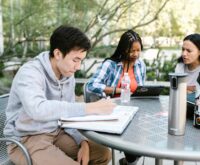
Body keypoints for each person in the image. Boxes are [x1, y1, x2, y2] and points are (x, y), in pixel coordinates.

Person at [4, 25, 116, 165]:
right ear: (58, 54)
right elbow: (37, 109)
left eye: (81, 60)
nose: (78, 66)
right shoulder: (30, 73)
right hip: (26, 138)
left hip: (56, 132)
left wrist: (82, 141)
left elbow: (67, 115)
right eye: (75, 60)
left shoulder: (67, 74)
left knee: (102, 153)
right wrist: (89, 108)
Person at [87, 30, 146, 165]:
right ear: (123, 49)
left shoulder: (140, 65)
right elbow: (91, 85)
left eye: (138, 50)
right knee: (133, 145)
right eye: (132, 51)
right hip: (114, 109)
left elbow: (141, 87)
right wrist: (118, 90)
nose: (136, 54)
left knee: (143, 141)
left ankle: (128, 160)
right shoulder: (111, 65)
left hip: (135, 109)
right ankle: (128, 161)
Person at [175, 33, 200, 103]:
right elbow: (176, 90)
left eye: (189, 51)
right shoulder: (180, 66)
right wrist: (192, 89)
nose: (184, 54)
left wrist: (184, 88)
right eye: (183, 49)